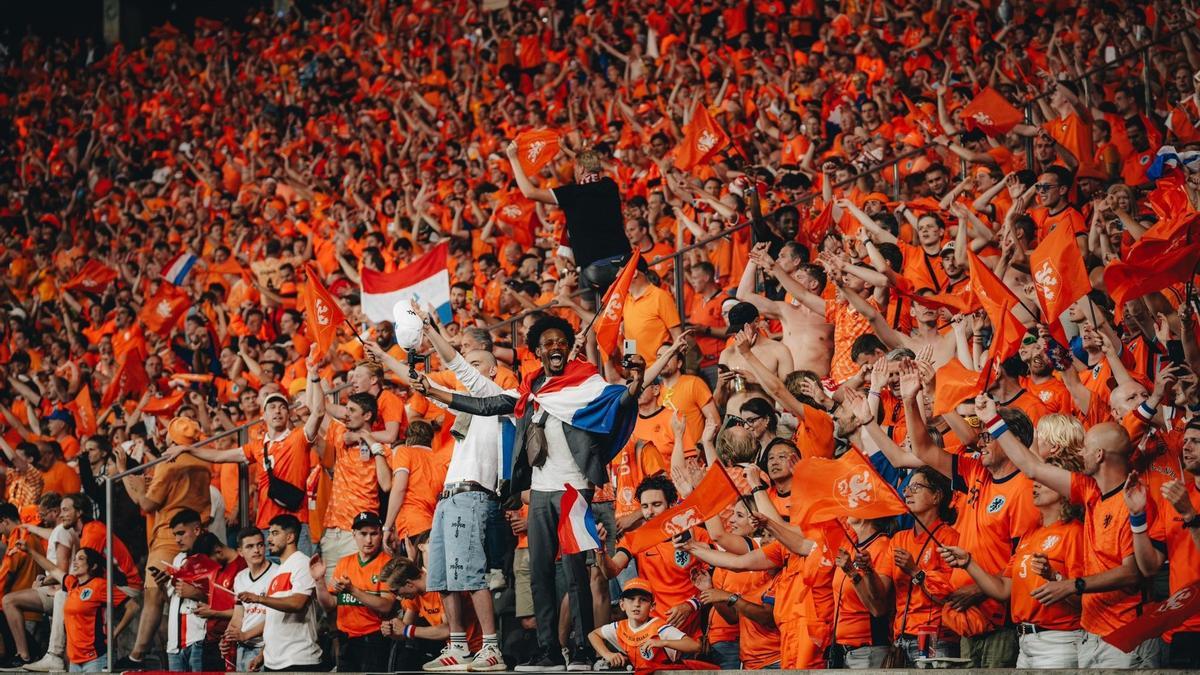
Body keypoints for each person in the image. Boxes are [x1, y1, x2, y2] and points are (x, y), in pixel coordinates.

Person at [422, 315, 654, 671]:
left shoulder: (586, 383)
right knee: (542, 573)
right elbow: (485, 406)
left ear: (567, 347)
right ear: (537, 352)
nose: (554, 347)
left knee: (576, 575)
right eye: (546, 343)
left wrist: (637, 378)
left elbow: (620, 401)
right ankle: (549, 651)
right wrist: (434, 391)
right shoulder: (530, 390)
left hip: (574, 490)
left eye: (560, 341)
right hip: (541, 492)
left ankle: (582, 651)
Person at [170, 347, 324, 554]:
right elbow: (219, 456)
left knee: (299, 582)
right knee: (271, 585)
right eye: (272, 407)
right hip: (266, 527)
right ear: (264, 416)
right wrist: (187, 449)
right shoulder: (257, 446)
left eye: (282, 407)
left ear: (288, 414)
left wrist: (313, 377)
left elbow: (319, 412)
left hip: (294, 526)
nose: (277, 411)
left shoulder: (299, 437)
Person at [941, 452, 1087, 668]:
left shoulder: (1075, 532)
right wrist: (969, 563)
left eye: (1045, 480)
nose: (1036, 484)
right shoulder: (1030, 535)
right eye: (1037, 479)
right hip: (1025, 642)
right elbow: (1003, 589)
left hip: (1059, 642)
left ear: (1064, 487)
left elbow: (1083, 602)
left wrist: (1053, 577)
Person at [506, 144, 630, 300]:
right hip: (624, 262)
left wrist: (513, 159)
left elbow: (529, 192)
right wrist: (568, 151)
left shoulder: (571, 193)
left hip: (595, 270)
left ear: (580, 169)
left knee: (587, 306)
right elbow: (591, 166)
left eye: (575, 168)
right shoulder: (609, 185)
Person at [889, 467, 961, 665]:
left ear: (937, 496)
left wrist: (915, 571)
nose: (907, 492)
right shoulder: (898, 539)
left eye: (916, 487)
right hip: (900, 638)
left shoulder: (950, 538)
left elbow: (949, 594)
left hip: (936, 638)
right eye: (907, 488)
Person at [236, 514, 323, 672]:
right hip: (274, 661)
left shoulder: (303, 563)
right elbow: (272, 619)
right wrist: (262, 655)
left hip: (298, 658)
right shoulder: (279, 571)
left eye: (275, 533)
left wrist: (258, 599)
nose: (269, 539)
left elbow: (297, 603)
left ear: (290, 537)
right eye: (269, 534)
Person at [312, 511, 395, 671]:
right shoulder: (344, 562)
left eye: (374, 534)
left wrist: (352, 589)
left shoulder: (388, 563)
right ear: (354, 534)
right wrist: (319, 581)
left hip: (374, 639)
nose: (369, 540)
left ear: (380, 534)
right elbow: (330, 604)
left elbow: (386, 606)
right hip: (346, 638)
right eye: (363, 534)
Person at [587, 578, 701, 671]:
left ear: (652, 607)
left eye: (643, 600)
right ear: (622, 605)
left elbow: (695, 646)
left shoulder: (659, 628)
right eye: (631, 599)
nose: (636, 604)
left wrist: (662, 642)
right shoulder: (620, 627)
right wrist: (607, 654)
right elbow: (593, 635)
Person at [225, 528, 276, 673]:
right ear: (240, 551)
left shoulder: (277, 573)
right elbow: (238, 615)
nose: (257, 550)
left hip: (266, 647)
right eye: (250, 546)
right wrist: (229, 636)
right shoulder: (240, 577)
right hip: (243, 646)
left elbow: (276, 619)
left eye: (260, 545)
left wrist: (245, 635)